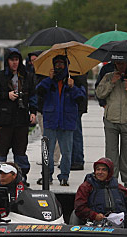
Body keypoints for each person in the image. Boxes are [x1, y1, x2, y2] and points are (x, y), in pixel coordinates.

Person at [0, 48, 37, 185]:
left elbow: (33, 96)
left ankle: (21, 177)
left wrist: (33, 112)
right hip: (3, 121)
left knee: (21, 151)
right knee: (1, 152)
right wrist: (6, 95)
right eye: (12, 60)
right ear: (7, 61)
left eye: (17, 60)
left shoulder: (27, 76)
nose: (14, 63)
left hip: (21, 120)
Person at [36, 55, 86, 186]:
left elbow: (81, 98)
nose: (59, 67)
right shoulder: (48, 81)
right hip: (51, 119)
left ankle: (64, 176)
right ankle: (47, 176)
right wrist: (49, 79)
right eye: (56, 64)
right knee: (48, 150)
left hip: (67, 121)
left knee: (67, 151)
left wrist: (72, 87)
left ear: (67, 66)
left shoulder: (74, 80)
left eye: (61, 64)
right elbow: (38, 91)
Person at [96, 60, 127, 189]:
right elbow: (99, 93)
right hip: (111, 119)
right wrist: (111, 82)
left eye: (123, 64)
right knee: (111, 151)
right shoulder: (108, 76)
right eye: (118, 64)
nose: (120, 66)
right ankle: (112, 179)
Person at [71, 74, 89, 171]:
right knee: (70, 134)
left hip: (77, 105)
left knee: (76, 134)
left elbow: (81, 85)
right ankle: (71, 159)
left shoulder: (78, 71)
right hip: (71, 105)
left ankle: (78, 160)